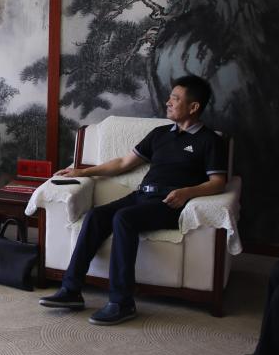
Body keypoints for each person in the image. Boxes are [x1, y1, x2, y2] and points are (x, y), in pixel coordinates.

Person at [38, 75, 228, 325]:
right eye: (170, 97)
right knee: (96, 216)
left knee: (124, 218)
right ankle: (71, 290)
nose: (168, 102)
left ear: (194, 107)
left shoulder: (210, 141)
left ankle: (122, 302)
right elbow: (123, 163)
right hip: (141, 195)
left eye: (175, 98)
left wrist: (187, 193)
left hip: (170, 203)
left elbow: (218, 182)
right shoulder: (160, 134)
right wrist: (82, 172)